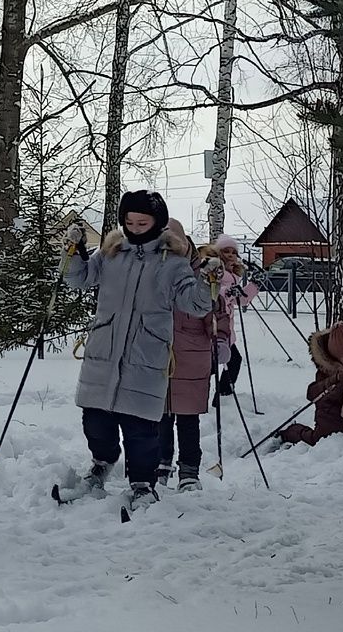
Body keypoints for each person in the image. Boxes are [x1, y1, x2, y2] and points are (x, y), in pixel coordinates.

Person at [62, 192, 217, 512]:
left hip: (145, 355)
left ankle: (143, 484)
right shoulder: (110, 253)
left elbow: (196, 304)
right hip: (104, 352)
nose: (134, 227)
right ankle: (100, 466)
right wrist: (75, 252)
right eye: (129, 221)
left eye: (142, 222)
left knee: (141, 428)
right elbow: (79, 279)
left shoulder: (173, 262)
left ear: (157, 223)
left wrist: (207, 281)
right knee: (95, 420)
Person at [157, 238, 233, 492]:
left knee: (188, 421)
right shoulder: (152, 277)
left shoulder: (200, 279)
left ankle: (189, 471)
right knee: (159, 418)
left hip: (191, 361)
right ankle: (161, 463)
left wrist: (220, 341)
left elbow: (217, 313)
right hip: (156, 359)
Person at [211, 235, 260, 406]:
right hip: (213, 325)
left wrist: (254, 285)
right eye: (226, 251)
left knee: (231, 360)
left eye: (233, 252)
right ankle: (221, 396)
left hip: (226, 327)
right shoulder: (214, 269)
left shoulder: (233, 274)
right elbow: (213, 292)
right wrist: (228, 292)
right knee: (216, 363)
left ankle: (223, 395)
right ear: (219, 252)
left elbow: (241, 300)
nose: (230, 255)